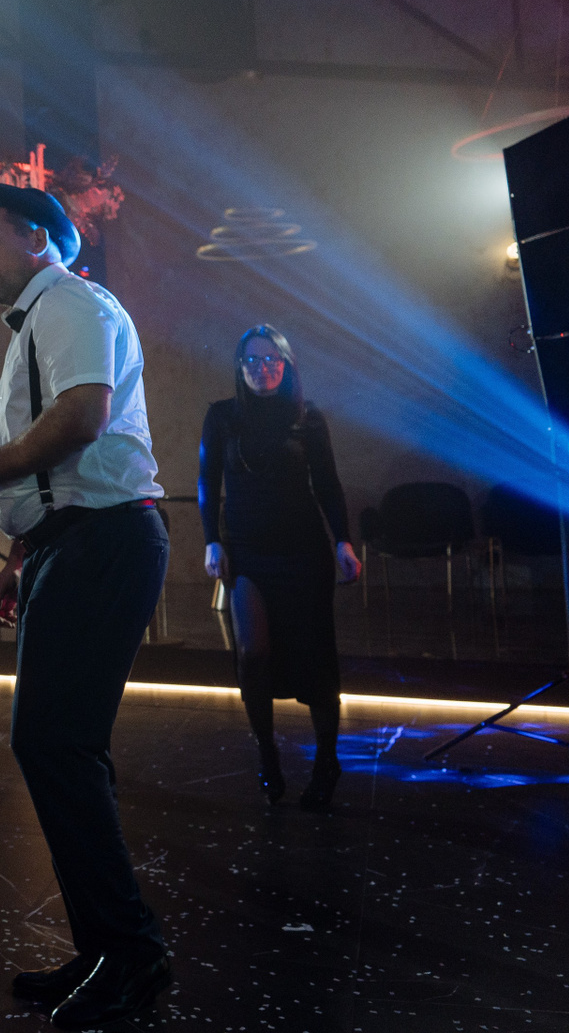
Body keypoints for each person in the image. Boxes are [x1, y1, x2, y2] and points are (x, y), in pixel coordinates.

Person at [0, 183, 170, 1029]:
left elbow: (82, 417)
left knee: (57, 745)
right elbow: (58, 471)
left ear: (38, 237)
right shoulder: (39, 319)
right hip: (74, 542)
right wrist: (23, 553)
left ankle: (131, 952)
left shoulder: (68, 302)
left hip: (105, 541)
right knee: (56, 746)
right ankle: (107, 945)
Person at [199, 326, 360, 811]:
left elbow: (328, 484)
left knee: (315, 657)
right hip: (247, 554)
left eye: (271, 359)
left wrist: (343, 541)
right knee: (252, 653)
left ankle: (327, 760)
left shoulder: (308, 418)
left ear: (286, 365)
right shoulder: (222, 416)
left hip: (303, 553)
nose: (261, 368)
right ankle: (267, 754)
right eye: (252, 360)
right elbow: (207, 482)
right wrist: (211, 541)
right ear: (239, 366)